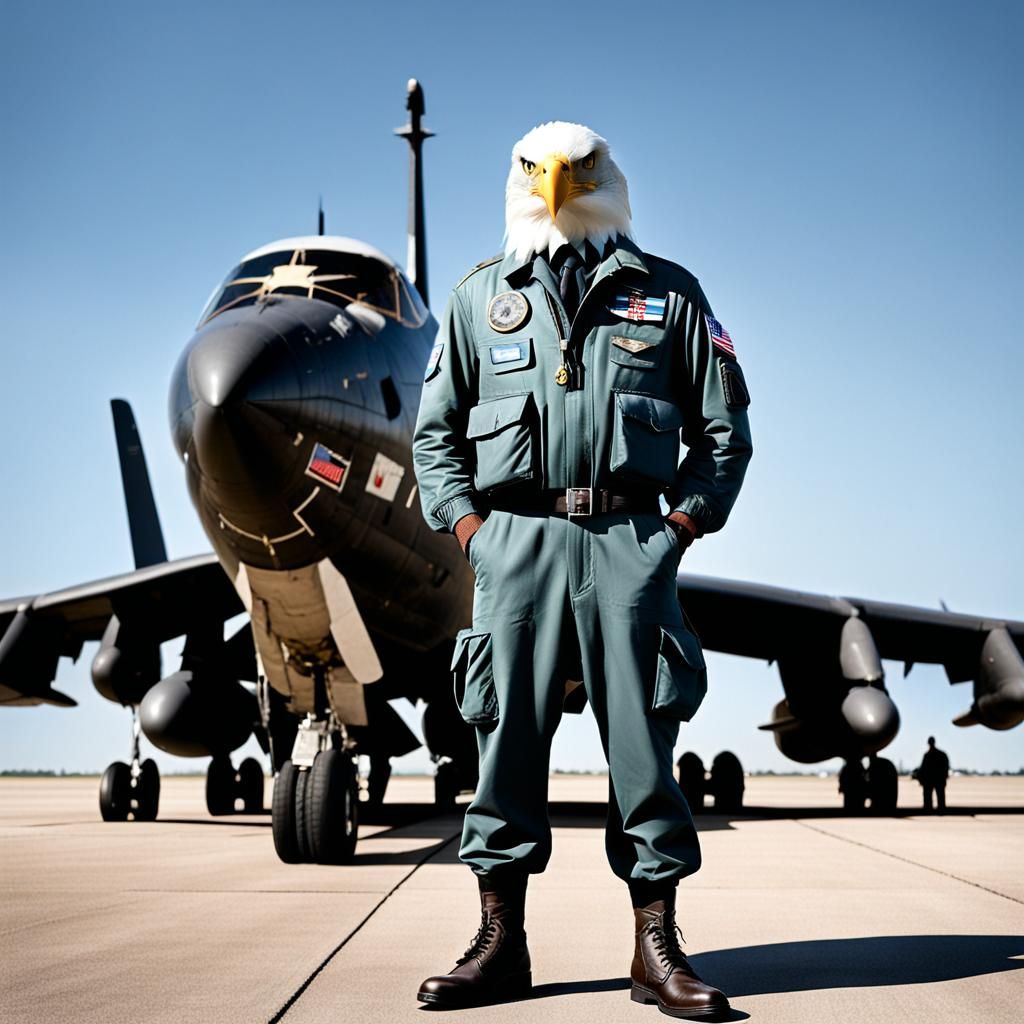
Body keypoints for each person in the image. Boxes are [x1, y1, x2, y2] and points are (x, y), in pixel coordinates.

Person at [412, 121, 752, 1019]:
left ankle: (656, 948)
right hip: (514, 546)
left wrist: (676, 529)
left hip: (630, 544)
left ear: (610, 176)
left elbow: (724, 436)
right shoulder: (475, 301)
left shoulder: (672, 296)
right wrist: (476, 532)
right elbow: (434, 440)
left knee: (645, 750)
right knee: (504, 748)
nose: (559, 184)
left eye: (578, 168)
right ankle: (498, 943)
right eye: (538, 169)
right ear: (516, 179)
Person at [917, 736, 950, 812]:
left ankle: (929, 809)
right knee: (940, 796)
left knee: (928, 796)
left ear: (928, 743)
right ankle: (941, 809)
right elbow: (946, 767)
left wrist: (921, 778)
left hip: (930, 780)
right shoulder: (941, 754)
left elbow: (923, 768)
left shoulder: (927, 755)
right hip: (938, 779)